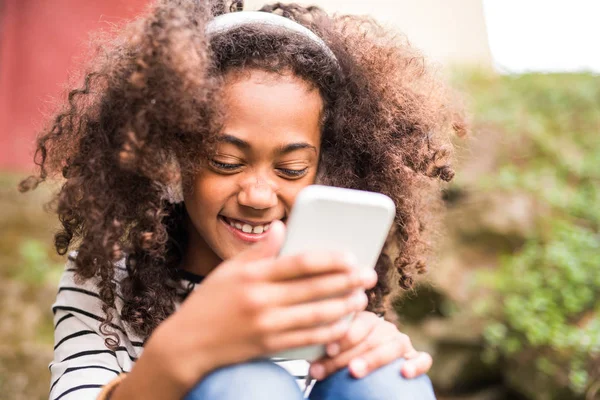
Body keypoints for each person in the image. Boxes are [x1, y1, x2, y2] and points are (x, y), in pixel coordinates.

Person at [20, 0, 466, 399]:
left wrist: (382, 356)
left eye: (291, 170)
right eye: (226, 161)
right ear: (175, 156)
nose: (257, 195)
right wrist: (179, 353)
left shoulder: (326, 278)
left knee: (385, 380)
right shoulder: (110, 276)